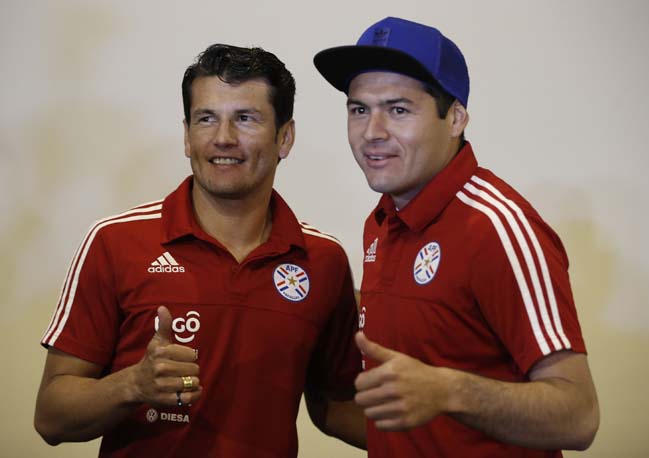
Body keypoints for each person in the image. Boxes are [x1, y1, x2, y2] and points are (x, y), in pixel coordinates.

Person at [35, 44, 365, 457]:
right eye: (206, 119)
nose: (223, 138)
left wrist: (450, 425)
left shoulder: (324, 259)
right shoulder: (115, 241)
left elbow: (333, 407)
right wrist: (133, 384)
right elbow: (50, 417)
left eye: (245, 119)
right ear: (187, 137)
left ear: (285, 136)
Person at [314, 16, 599, 457]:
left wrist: (449, 390)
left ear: (456, 118)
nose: (372, 132)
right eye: (359, 109)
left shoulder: (498, 227)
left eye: (398, 109)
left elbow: (578, 416)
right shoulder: (383, 220)